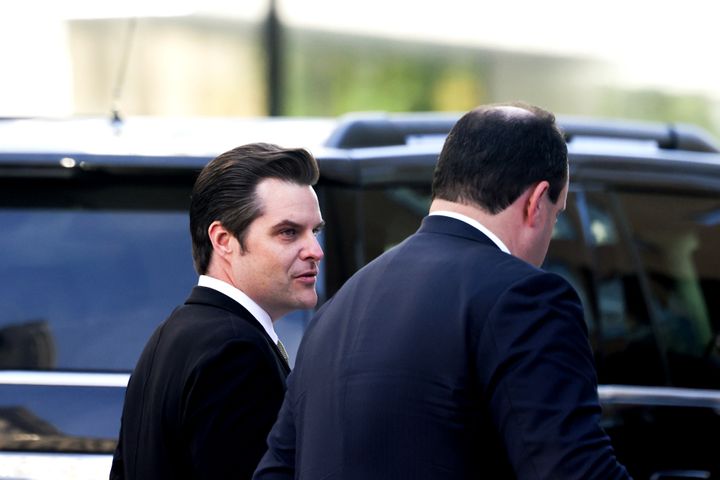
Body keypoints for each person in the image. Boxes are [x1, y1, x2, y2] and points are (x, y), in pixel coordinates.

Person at [253, 103, 631, 479]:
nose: (551, 230)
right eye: (557, 213)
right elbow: (574, 472)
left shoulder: (338, 309)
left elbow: (275, 472)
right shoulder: (526, 297)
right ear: (536, 202)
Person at [110, 143, 325, 480]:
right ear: (224, 239)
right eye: (288, 232)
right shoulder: (236, 353)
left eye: (315, 232)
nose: (314, 250)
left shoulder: (171, 335)